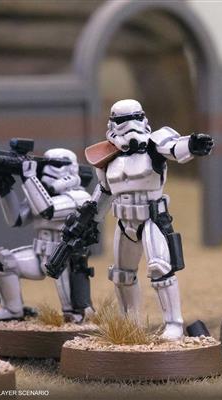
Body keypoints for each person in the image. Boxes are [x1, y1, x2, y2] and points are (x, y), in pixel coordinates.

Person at [83, 99, 214, 340]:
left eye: (135, 118)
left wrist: (193, 144)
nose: (129, 126)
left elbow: (175, 148)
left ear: (143, 119)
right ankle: (130, 325)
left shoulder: (155, 143)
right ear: (112, 124)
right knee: (122, 275)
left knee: (160, 270)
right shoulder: (106, 156)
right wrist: (90, 218)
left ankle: (173, 324)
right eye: (123, 121)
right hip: (124, 223)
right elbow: (104, 191)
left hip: (151, 219)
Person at [0, 148, 94, 323]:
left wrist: (29, 178)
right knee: (2, 262)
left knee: (74, 314)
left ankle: (77, 319)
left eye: (56, 164)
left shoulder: (80, 196)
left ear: (71, 169)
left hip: (65, 259)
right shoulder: (40, 193)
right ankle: (12, 310)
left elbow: (48, 210)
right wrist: (4, 190)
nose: (48, 169)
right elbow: (17, 219)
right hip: (40, 255)